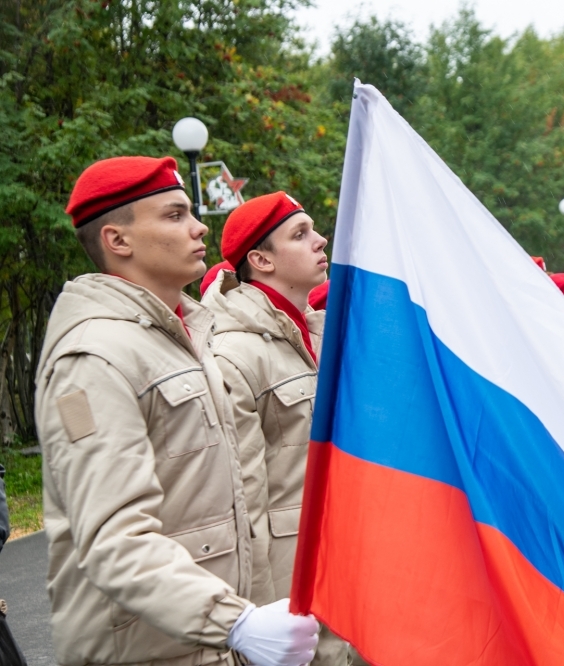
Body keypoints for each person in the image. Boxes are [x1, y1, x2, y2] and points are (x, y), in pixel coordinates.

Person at [35, 156, 318, 666]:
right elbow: (113, 537)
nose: (198, 228)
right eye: (174, 215)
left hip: (204, 641)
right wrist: (236, 621)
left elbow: (234, 504)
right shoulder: (94, 357)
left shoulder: (183, 339)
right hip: (147, 649)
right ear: (118, 240)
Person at [203, 192, 350, 664]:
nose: (321, 239)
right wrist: (266, 615)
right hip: (297, 582)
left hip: (349, 557)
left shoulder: (322, 335)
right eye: (300, 234)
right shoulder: (234, 353)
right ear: (260, 259)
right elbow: (245, 503)